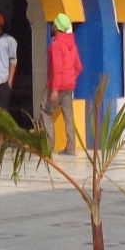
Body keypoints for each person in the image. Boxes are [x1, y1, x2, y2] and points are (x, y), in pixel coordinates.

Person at [46, 13, 84, 152]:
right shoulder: (72, 44)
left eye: (54, 24)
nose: (52, 26)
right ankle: (71, 147)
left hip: (57, 85)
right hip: (69, 85)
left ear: (57, 27)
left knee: (45, 112)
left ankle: (48, 146)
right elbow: (78, 67)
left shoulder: (56, 44)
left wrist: (55, 89)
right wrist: (70, 78)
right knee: (68, 116)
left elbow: (57, 68)